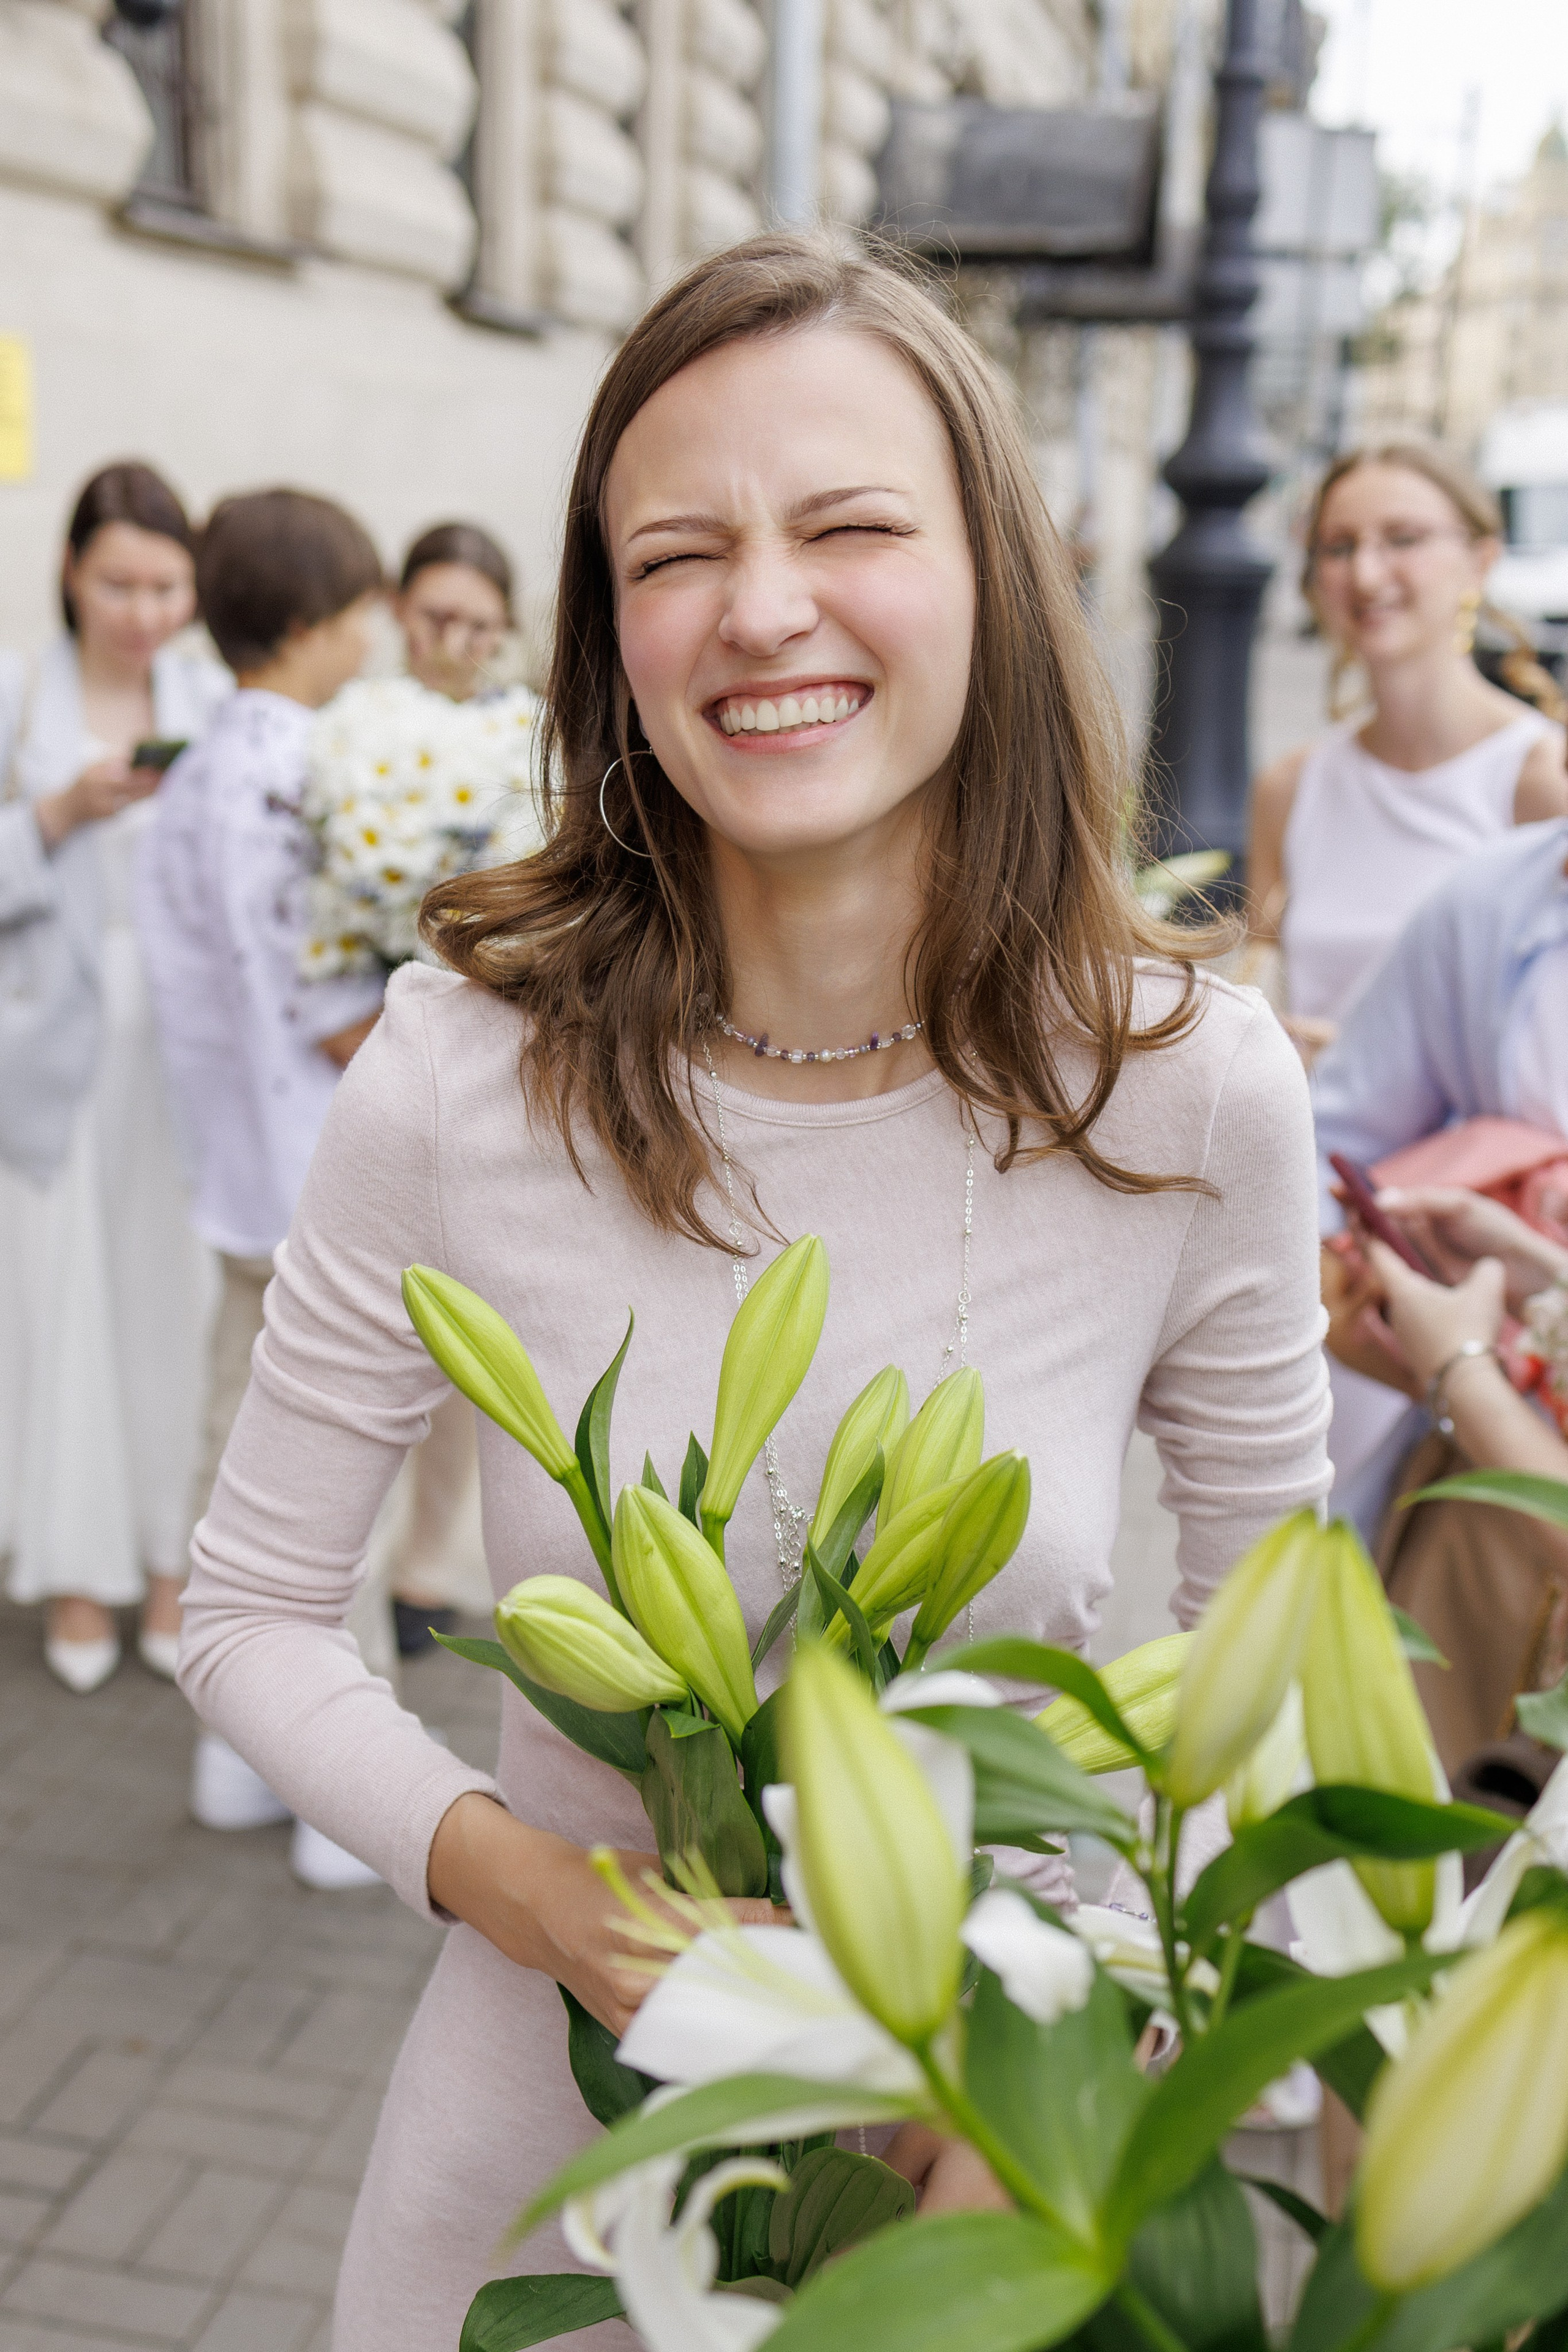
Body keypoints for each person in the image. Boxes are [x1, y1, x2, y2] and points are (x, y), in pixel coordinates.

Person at [175, 233, 1330, 2348]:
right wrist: (533, 1884)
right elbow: (246, 1614)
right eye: (678, 551)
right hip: (537, 2165)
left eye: (852, 525)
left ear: (991, 571)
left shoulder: (1190, 1095)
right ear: (613, 634)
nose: (764, 606)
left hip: (985, 2183)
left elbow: (1272, 1677)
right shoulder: (461, 1068)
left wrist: (1076, 2062)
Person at [138, 488, 387, 1877]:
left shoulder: (190, 771)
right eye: (359, 615)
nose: (372, 640)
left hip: (234, 1168)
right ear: (306, 626)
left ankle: (233, 1752)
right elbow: (317, 984)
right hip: (317, 1170)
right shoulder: (300, 767)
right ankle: (334, 1793)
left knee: (237, 1456)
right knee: (330, 1483)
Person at [1249, 444, 1568, 1512]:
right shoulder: (1295, 785)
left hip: (1475, 1233)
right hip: (1345, 1206)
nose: (1365, 572)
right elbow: (1263, 969)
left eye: (1401, 539)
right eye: (1337, 546)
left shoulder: (1536, 783)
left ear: (1479, 559)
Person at [0, 461, 230, 1693]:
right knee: (59, 1312)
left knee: (175, 1310)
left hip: (183, 1057)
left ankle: (170, 1568)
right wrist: (50, 819)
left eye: (165, 585)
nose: (143, 610)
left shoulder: (209, 694)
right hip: (51, 1060)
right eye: (118, 583)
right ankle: (75, 1571)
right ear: (71, 577)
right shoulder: (19, 692)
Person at [1312, 812, 1568, 1541]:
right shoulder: (1497, 900)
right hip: (1483, 1512)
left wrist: (1458, 1368)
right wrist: (1535, 1273)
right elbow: (1338, 1125)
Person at [396, 520, 514, 701]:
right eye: (435, 618)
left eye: (479, 627)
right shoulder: (351, 711)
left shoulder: (523, 720)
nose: (452, 649)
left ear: (503, 628)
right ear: (398, 606)